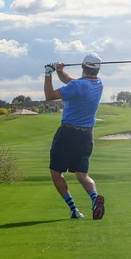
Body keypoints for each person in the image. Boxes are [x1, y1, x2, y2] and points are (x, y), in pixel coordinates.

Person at [44, 53, 105, 220]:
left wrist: (48, 73)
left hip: (68, 134)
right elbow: (71, 82)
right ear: (97, 69)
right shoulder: (98, 84)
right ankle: (94, 199)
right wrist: (59, 71)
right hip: (86, 136)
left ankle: (74, 209)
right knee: (82, 174)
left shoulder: (78, 85)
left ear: (83, 66)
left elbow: (50, 96)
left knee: (56, 172)